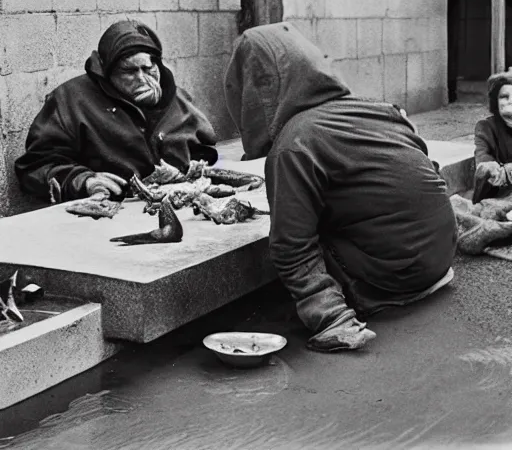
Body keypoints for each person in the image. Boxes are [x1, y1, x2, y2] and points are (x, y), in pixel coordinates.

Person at [224, 22, 457, 353]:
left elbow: (292, 245)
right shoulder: (378, 110)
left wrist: (329, 318)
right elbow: (424, 173)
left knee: (299, 231)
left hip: (396, 280)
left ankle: (343, 309)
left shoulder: (295, 143)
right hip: (442, 258)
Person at [15, 20, 218, 202]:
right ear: (108, 72)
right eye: (129, 71)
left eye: (148, 69)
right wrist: (83, 181)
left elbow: (205, 148)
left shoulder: (176, 97)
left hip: (174, 204)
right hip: (108, 211)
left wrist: (188, 172)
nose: (142, 78)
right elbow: (35, 167)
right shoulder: (71, 99)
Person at [473, 70, 512, 204]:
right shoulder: (486, 127)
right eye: (504, 97)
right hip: (497, 195)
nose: (510, 102)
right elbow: (483, 159)